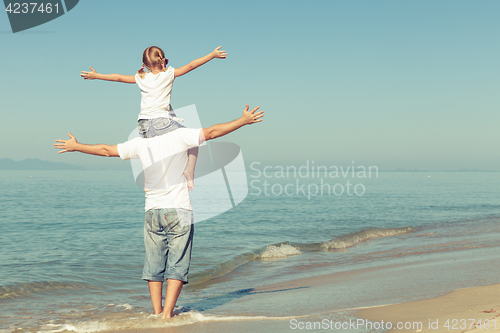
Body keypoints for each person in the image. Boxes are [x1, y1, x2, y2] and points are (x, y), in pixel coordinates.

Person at [54, 104, 263, 319]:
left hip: (152, 211)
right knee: (177, 265)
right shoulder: (180, 136)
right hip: (179, 209)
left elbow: (106, 150)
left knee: (154, 266)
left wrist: (77, 146)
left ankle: (156, 313)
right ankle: (167, 315)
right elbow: (210, 133)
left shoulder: (139, 144)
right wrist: (242, 121)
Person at [80, 46, 227, 190]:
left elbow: (118, 77)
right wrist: (212, 55)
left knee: (148, 149)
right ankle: (189, 170)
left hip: (143, 125)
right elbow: (191, 65)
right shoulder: (169, 73)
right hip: (161, 122)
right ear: (163, 61)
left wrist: (97, 75)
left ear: (144, 65)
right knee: (195, 140)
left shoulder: (141, 77)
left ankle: (147, 180)